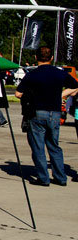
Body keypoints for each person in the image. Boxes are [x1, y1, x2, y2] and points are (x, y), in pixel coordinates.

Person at [15, 46, 78, 186]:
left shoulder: (32, 74)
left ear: (36, 58)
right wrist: (61, 95)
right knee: (54, 145)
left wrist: (29, 96)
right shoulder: (59, 73)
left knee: (38, 146)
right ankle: (60, 177)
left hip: (37, 111)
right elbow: (74, 86)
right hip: (54, 112)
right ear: (51, 58)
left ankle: (43, 178)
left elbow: (18, 93)